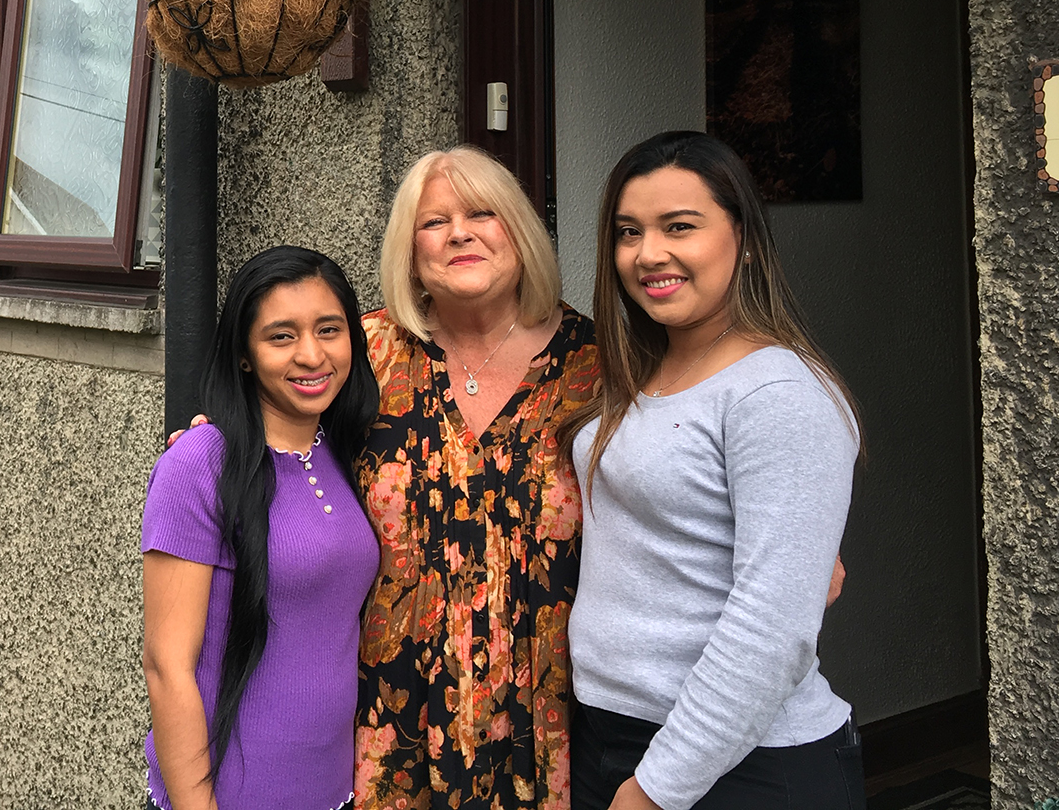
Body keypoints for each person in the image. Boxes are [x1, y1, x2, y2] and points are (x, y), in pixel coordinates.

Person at [567, 131, 864, 810]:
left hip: (740, 766)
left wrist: (656, 788)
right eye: (628, 231)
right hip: (615, 742)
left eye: (680, 227)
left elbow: (771, 629)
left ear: (745, 239)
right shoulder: (642, 374)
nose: (649, 254)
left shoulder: (776, 393)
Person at [355, 146, 600, 810]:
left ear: (519, 232)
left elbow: (671, 472)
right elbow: (278, 451)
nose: (459, 232)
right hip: (392, 714)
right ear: (410, 250)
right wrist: (206, 449)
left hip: (548, 716)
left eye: (482, 213)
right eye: (435, 222)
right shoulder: (360, 355)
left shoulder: (596, 367)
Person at [142, 246, 381, 810]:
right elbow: (166, 666)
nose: (311, 354)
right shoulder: (200, 462)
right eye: (281, 336)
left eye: (329, 329)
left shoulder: (346, 451)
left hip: (333, 793)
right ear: (244, 354)